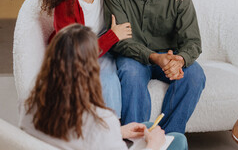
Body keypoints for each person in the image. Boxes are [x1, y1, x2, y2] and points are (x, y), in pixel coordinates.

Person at [40, 0, 190, 118]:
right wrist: (113, 36)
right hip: (74, 56)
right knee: (104, 80)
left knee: (111, 80)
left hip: (102, 51)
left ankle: (118, 134)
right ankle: (112, 137)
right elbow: (74, 52)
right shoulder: (66, 1)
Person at [103, 0, 206, 134]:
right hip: (132, 57)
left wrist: (180, 60)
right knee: (130, 73)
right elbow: (121, 41)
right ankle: (136, 141)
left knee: (195, 74)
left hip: (168, 56)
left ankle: (167, 139)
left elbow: (193, 41)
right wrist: (154, 57)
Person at [19, 24, 187, 150]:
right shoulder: (101, 119)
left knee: (149, 125)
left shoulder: (29, 101)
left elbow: (78, 138)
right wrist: (153, 145)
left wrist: (119, 131)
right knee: (178, 140)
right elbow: (95, 133)